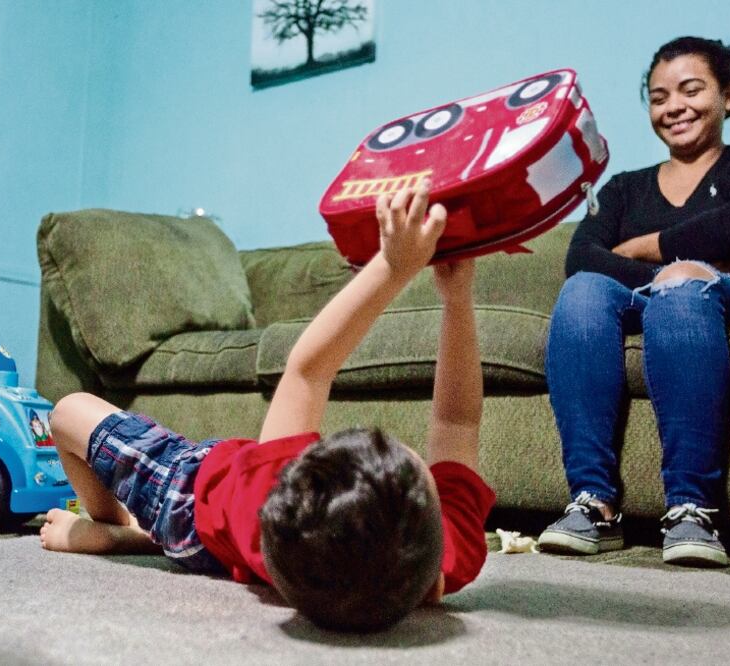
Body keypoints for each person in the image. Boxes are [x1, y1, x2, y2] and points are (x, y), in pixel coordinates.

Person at [39, 181, 496, 632]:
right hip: (222, 538)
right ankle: (141, 533)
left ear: (294, 473)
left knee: (68, 412)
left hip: (188, 496)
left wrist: (393, 268)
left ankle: (116, 525)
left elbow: (308, 370)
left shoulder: (273, 491)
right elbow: (455, 421)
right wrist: (457, 301)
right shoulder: (447, 558)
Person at [537, 36, 730, 567]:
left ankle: (693, 509)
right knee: (583, 291)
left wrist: (654, 250)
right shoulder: (622, 189)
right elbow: (582, 258)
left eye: (692, 90)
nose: (674, 107)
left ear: (729, 97)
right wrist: (688, 260)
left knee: (684, 282)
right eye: (659, 97)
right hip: (663, 299)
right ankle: (592, 506)